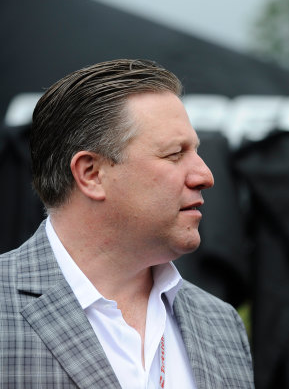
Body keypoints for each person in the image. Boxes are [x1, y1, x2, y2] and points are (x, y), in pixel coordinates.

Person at [0, 59, 254, 388]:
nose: (205, 176)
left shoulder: (220, 324)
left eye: (197, 151)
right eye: (175, 154)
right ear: (91, 174)